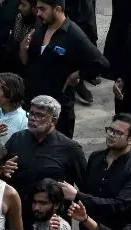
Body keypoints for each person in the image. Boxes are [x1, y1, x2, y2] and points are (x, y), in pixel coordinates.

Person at [20, 0, 107, 138]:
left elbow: (101, 63)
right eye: (37, 9)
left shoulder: (73, 34)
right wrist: (23, 50)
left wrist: (78, 74)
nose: (38, 13)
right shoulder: (40, 30)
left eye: (43, 9)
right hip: (33, 106)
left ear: (58, 9)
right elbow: (28, 63)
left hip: (57, 113)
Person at [3, 95, 86, 228]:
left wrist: (76, 197)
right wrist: (3, 168)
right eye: (31, 113)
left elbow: (86, 186)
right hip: (18, 219)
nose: (32, 118)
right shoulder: (17, 139)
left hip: (52, 226)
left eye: (40, 115)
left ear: (53, 120)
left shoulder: (70, 149)